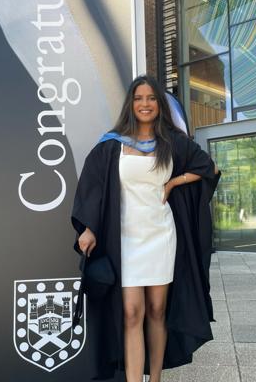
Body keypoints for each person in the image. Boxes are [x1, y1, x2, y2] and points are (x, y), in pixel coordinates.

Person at [71, 75, 221, 382]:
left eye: (151, 98)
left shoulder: (171, 142)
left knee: (156, 310)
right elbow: (92, 186)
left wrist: (175, 182)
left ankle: (155, 379)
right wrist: (89, 228)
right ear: (131, 103)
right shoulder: (112, 144)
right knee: (130, 313)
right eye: (139, 98)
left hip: (160, 235)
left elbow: (209, 168)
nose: (145, 104)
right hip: (124, 239)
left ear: (159, 104)